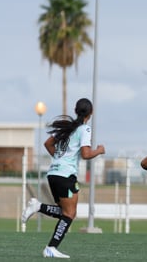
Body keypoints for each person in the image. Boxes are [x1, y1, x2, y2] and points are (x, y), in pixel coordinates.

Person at [21, 98, 105, 259]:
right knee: (69, 214)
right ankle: (50, 247)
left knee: (65, 212)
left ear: (75, 111)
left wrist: (59, 160)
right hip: (66, 175)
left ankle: (38, 207)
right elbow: (86, 154)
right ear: (91, 113)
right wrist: (99, 150)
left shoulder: (66, 127)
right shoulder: (84, 129)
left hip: (53, 173)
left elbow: (48, 144)